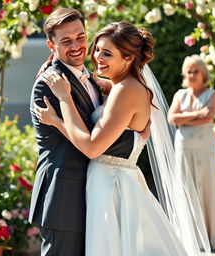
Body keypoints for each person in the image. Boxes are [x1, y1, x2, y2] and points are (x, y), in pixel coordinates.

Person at [34, 22, 211, 255]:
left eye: (107, 53)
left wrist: (61, 107)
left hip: (111, 186)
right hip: (111, 180)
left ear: (128, 58)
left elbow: (92, 147)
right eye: (97, 49)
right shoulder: (121, 86)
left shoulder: (125, 90)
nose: (97, 57)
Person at [28, 8, 150, 256]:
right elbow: (89, 142)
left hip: (98, 193)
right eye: (66, 41)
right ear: (51, 46)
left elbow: (104, 129)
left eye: (81, 37)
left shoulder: (96, 79)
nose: (76, 46)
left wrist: (137, 137)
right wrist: (137, 139)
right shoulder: (50, 85)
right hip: (64, 197)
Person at [168, 54, 215, 250]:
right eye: (189, 71)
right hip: (183, 148)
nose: (192, 75)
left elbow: (208, 117)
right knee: (186, 189)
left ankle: (209, 236)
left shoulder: (212, 94)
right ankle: (188, 235)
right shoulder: (179, 95)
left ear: (203, 74)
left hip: (204, 149)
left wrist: (185, 117)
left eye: (195, 71)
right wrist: (196, 115)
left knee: (206, 188)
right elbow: (172, 119)